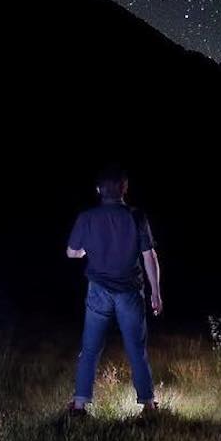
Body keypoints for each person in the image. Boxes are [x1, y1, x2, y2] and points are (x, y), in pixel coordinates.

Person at [65, 165, 163, 415]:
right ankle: (149, 404)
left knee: (90, 348)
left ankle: (79, 405)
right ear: (124, 189)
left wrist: (88, 249)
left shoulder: (87, 217)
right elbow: (149, 256)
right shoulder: (136, 216)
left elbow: (72, 253)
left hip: (98, 290)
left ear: (98, 190)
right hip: (130, 291)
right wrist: (156, 293)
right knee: (136, 348)